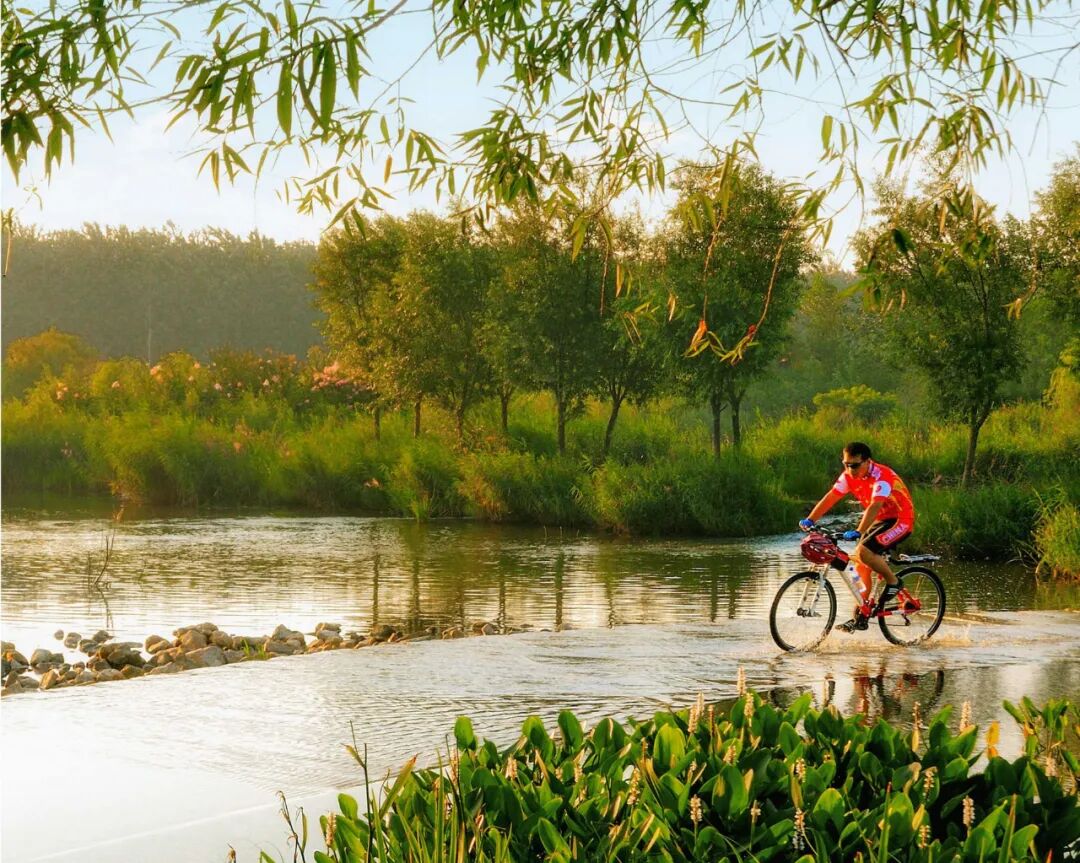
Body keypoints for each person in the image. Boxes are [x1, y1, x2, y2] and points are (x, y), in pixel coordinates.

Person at [798, 442, 915, 633]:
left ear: (867, 462)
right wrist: (811, 519)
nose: (849, 469)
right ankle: (861, 615)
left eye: (854, 465)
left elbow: (875, 506)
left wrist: (859, 531)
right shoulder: (848, 476)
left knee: (864, 551)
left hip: (901, 519)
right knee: (859, 566)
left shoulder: (882, 476)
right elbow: (831, 497)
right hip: (880, 520)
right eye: (845, 464)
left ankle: (894, 582)